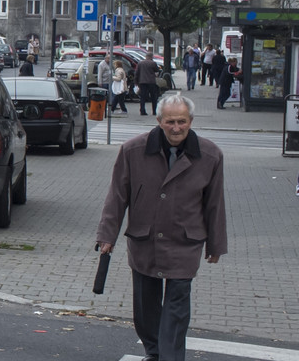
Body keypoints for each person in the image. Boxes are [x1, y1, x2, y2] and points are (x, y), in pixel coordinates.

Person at [96, 93, 227, 361]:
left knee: (177, 306)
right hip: (145, 239)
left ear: (190, 121)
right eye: (170, 122)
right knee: (146, 306)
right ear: (158, 121)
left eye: (182, 122)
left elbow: (215, 203)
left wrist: (216, 244)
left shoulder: (210, 155)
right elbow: (117, 196)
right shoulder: (133, 150)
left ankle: (170, 357)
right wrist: (107, 235)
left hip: (185, 241)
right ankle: (154, 351)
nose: (176, 128)